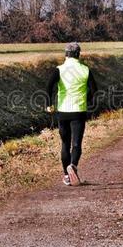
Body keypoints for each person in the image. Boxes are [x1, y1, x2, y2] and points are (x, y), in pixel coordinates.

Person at [46, 42, 98, 186]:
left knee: (65, 144)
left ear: (66, 54)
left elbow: (49, 87)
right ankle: (73, 166)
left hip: (63, 111)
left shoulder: (59, 70)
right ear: (78, 54)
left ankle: (66, 176)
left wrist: (49, 104)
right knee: (76, 144)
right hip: (79, 111)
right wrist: (86, 99)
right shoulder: (85, 70)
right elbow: (94, 91)